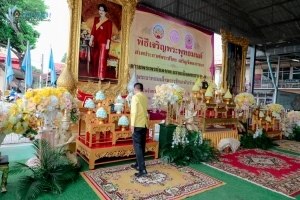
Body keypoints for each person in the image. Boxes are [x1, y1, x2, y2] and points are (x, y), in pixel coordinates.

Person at [89, 4, 112, 80]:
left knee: (102, 59)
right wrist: (91, 39)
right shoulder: (96, 19)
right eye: (100, 10)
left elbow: (109, 34)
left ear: (105, 12)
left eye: (102, 10)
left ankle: (101, 76)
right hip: (96, 42)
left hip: (104, 43)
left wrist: (108, 44)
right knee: (95, 58)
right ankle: (95, 75)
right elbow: (93, 30)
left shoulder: (108, 22)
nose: (101, 11)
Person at [130, 83, 148, 177]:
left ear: (135, 89)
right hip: (144, 124)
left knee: (137, 147)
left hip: (137, 124)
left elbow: (134, 112)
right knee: (141, 145)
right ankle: (138, 165)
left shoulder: (135, 97)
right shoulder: (144, 97)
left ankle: (142, 169)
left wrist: (132, 125)